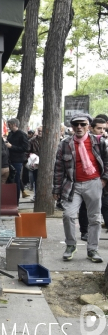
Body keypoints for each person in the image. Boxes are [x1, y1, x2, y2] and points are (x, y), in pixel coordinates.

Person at [53, 113, 108, 263]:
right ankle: (70, 245)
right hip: (73, 185)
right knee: (68, 215)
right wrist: (56, 189)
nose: (79, 127)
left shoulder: (99, 142)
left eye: (83, 124)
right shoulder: (65, 144)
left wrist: (104, 180)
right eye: (76, 124)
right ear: (72, 127)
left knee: (95, 218)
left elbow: (107, 162)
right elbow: (58, 168)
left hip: (94, 183)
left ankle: (92, 249)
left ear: (88, 126)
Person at [78, 116, 108, 239]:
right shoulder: (86, 141)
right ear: (91, 128)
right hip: (87, 179)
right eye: (99, 128)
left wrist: (104, 178)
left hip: (101, 179)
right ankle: (84, 231)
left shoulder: (103, 141)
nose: (101, 131)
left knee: (105, 204)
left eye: (104, 128)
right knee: (85, 206)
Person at [5, 118, 30, 205]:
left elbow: (25, 148)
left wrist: (11, 147)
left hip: (17, 160)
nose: (8, 126)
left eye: (10, 124)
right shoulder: (10, 134)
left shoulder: (22, 134)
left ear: (14, 124)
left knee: (16, 180)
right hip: (9, 159)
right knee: (10, 180)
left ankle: (16, 201)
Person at [28, 126, 42, 198]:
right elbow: (27, 151)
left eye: (41, 131)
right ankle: (36, 195)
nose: (40, 132)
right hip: (35, 163)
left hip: (45, 163)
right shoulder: (32, 140)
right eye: (38, 130)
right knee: (36, 180)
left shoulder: (48, 140)